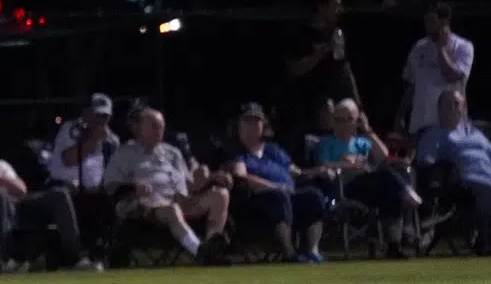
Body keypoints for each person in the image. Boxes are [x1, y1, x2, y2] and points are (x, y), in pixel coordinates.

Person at [0, 129, 93, 270]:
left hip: (19, 207)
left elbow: (21, 190)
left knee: (59, 194)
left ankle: (75, 257)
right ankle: (3, 260)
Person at [101, 106, 229, 259]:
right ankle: (200, 252)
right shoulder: (123, 154)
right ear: (137, 128)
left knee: (220, 194)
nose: (159, 130)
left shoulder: (172, 153)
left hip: (179, 201)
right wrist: (132, 186)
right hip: (146, 207)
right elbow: (109, 185)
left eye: (161, 126)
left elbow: (188, 187)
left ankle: (212, 245)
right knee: (172, 209)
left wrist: (206, 178)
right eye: (154, 126)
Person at [225, 104, 328, 262]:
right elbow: (241, 176)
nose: (253, 125)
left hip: (289, 195)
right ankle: (289, 253)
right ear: (239, 125)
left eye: (257, 121)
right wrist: (272, 186)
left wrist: (318, 171)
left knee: (313, 196)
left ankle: (312, 251)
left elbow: (296, 172)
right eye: (248, 121)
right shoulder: (237, 151)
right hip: (258, 200)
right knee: (279, 197)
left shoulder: (273, 150)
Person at [310, 98, 421, 244]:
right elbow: (322, 165)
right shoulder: (326, 143)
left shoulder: (361, 142)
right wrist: (348, 164)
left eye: (349, 119)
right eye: (339, 120)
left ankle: (394, 245)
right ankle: (407, 193)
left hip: (369, 183)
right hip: (345, 186)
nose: (344, 124)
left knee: (392, 187)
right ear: (333, 122)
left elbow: (384, 157)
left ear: (357, 121)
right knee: (388, 176)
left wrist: (368, 130)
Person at [47, 94, 121, 256]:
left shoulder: (112, 141)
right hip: (64, 187)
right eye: (96, 115)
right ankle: (76, 254)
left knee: (111, 200)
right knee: (68, 198)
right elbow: (69, 159)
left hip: (95, 191)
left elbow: (114, 171)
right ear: (86, 113)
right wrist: (93, 141)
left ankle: (105, 254)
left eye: (104, 117)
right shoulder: (71, 129)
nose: (99, 121)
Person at [414, 88, 491, 244]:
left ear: (463, 107)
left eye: (456, 104)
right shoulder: (433, 134)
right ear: (439, 108)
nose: (452, 108)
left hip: (488, 179)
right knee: (485, 194)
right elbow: (426, 162)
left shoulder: (476, 133)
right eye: (447, 104)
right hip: (462, 182)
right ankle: (485, 241)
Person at [282, 0, 358, 140]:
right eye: (335, 6)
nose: (339, 10)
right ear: (322, 7)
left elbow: (344, 69)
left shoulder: (337, 34)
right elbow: (294, 69)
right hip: (304, 105)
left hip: (332, 103)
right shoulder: (299, 34)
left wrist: (357, 103)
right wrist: (321, 52)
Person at [401, 4, 473, 137]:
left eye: (431, 21)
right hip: (421, 125)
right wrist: (400, 115)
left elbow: (452, 76)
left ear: (444, 22)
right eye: (425, 20)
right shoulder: (419, 47)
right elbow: (411, 85)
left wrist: (441, 48)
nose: (427, 25)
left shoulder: (463, 47)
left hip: (452, 128)